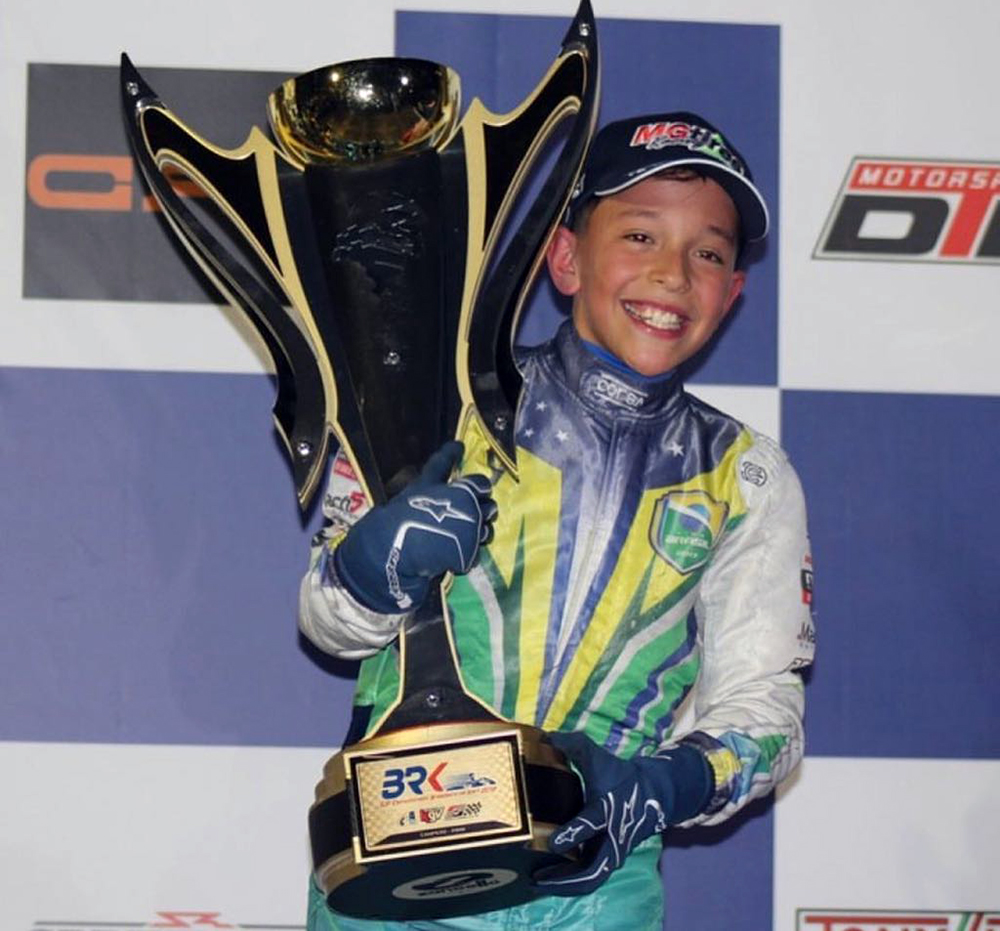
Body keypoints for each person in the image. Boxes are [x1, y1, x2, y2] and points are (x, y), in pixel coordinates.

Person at [299, 110, 816, 930]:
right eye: (641, 236)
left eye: (709, 252)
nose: (675, 274)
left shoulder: (749, 475)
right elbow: (329, 623)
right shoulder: (434, 406)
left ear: (734, 292)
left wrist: (662, 786)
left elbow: (766, 717)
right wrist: (367, 569)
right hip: (399, 855)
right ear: (566, 257)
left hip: (597, 882)